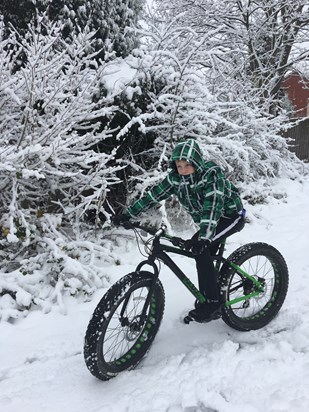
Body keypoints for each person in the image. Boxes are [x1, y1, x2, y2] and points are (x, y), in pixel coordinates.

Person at [111, 139, 245, 323]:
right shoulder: (176, 179)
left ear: (197, 162)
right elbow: (153, 195)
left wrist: (204, 238)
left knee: (202, 248)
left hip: (229, 217)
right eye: (179, 165)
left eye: (187, 165)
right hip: (209, 222)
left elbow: (212, 207)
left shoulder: (212, 175)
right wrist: (128, 214)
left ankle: (213, 304)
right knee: (201, 255)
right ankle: (209, 295)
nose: (182, 170)